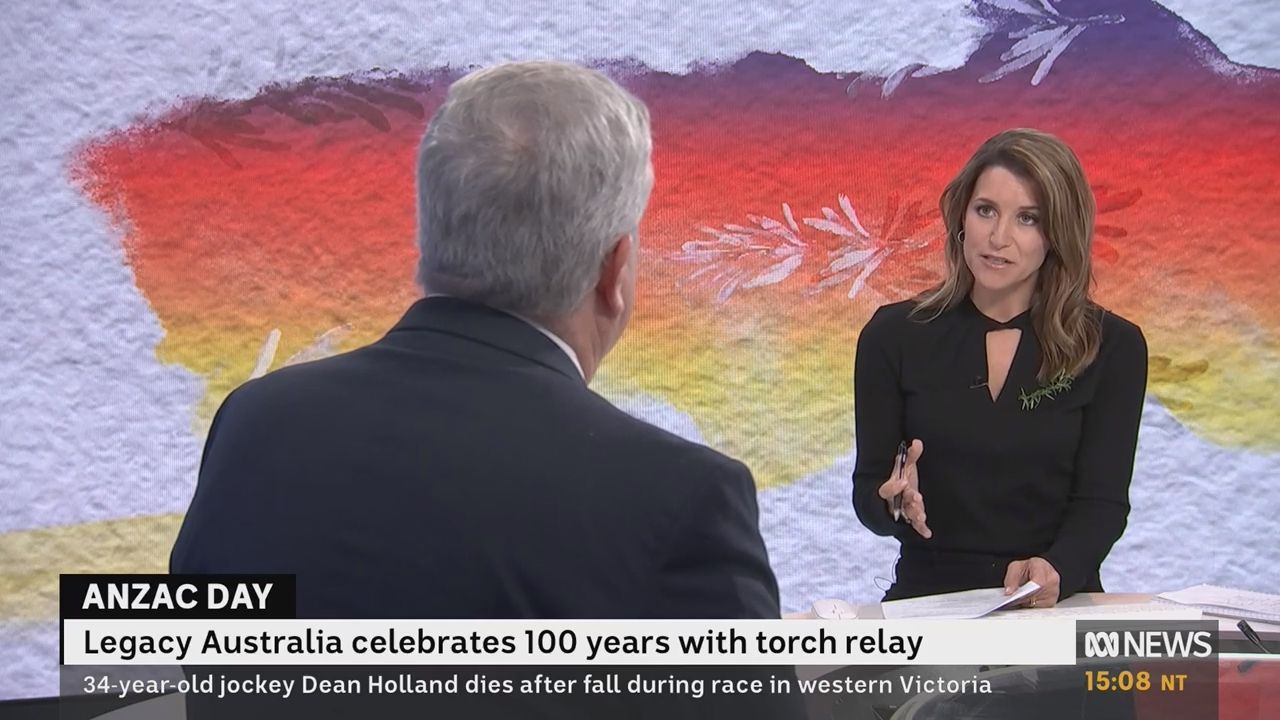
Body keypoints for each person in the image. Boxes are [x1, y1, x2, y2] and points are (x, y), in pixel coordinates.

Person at [851, 128, 1148, 608]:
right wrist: (894, 503)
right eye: (986, 210)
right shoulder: (893, 336)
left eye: (1028, 218)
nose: (998, 237)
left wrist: (1056, 569)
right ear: (961, 216)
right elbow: (869, 490)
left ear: (1057, 234)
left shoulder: (1113, 346)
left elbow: (1103, 504)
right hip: (929, 603)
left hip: (1054, 603)